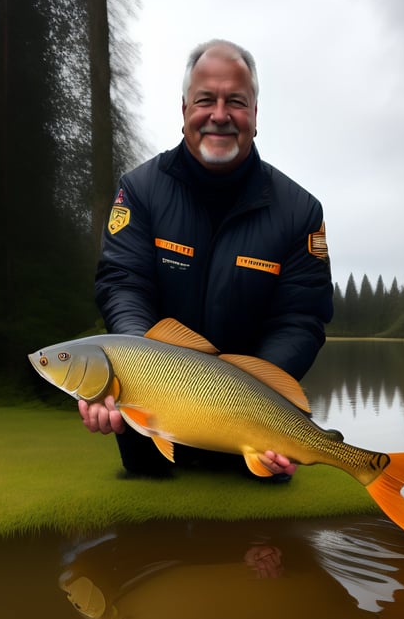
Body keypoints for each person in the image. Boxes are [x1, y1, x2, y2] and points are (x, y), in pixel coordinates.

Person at [79, 39, 333, 479]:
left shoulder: (301, 212)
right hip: (148, 427)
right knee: (144, 543)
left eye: (236, 101)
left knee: (260, 546)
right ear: (184, 111)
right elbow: (123, 283)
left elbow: (301, 318)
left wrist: (261, 399)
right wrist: (136, 374)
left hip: (249, 432)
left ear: (255, 114)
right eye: (205, 100)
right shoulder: (139, 191)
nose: (220, 114)